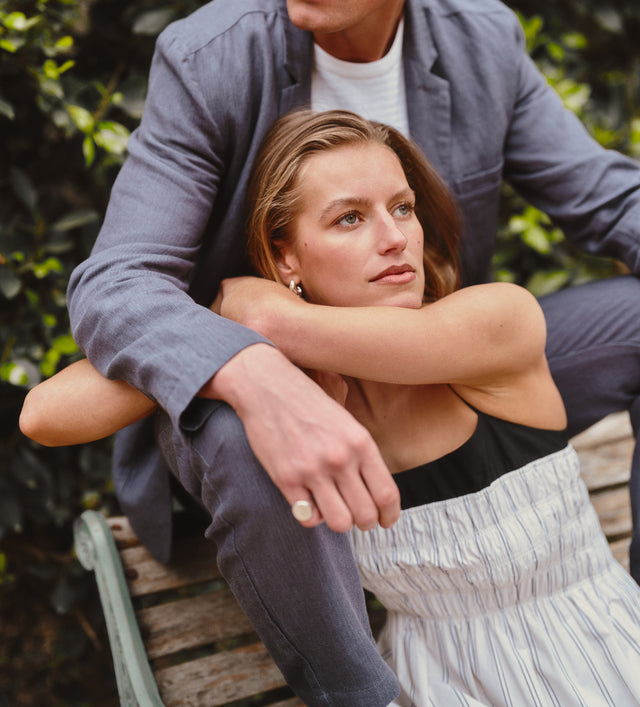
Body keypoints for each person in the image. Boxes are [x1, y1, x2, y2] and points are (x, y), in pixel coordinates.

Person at [20, 0, 640, 703]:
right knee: (238, 418)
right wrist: (253, 369)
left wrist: (257, 312)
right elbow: (117, 283)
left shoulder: (481, 42)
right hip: (256, 428)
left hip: (426, 369)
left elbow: (608, 197)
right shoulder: (209, 59)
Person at [22, 110, 640, 706]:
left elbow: (268, 316)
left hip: (597, 656)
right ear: (286, 256)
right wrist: (220, 328)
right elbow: (46, 415)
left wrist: (254, 312)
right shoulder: (292, 392)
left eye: (402, 207)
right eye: (350, 218)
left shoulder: (498, 322)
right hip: (427, 683)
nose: (396, 238)